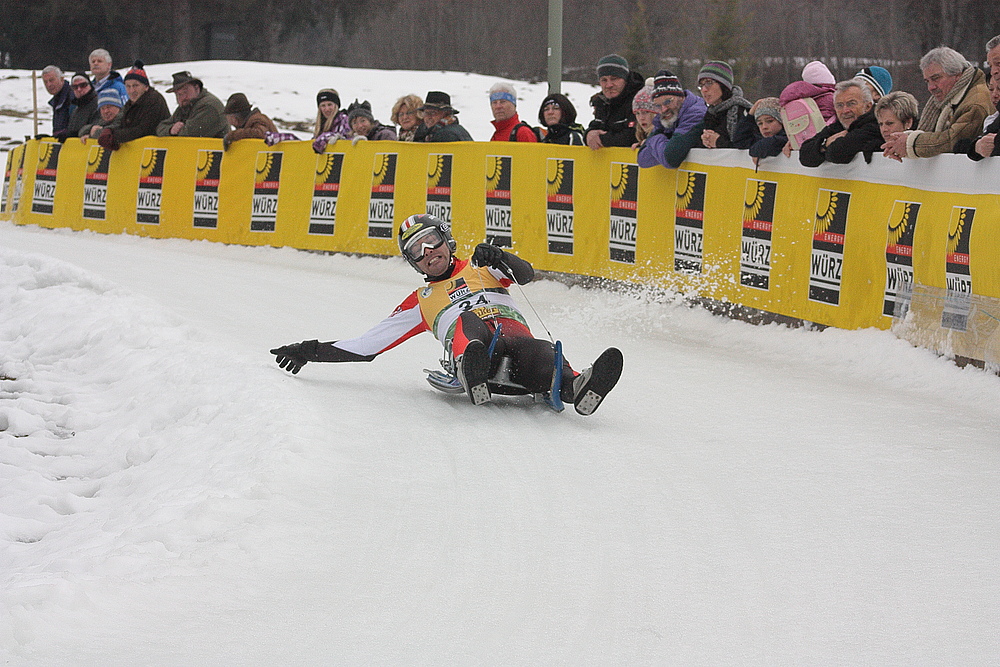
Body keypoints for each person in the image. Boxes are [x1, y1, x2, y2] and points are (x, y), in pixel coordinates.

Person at [269, 214, 623, 415]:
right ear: (413, 263)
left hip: (517, 348)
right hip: (475, 347)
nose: (427, 252)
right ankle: (472, 368)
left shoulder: (481, 265)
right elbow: (366, 346)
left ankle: (577, 387)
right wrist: (308, 351)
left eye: (431, 241)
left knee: (541, 349)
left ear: (446, 240)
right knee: (469, 323)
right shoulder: (420, 300)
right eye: (417, 251)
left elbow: (526, 275)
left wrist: (500, 256)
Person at [881, 46, 990, 160]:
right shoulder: (947, 99)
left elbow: (953, 140)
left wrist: (911, 143)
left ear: (957, 75)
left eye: (936, 78)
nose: (931, 87)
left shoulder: (976, 101)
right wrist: (901, 142)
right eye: (927, 81)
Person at [659, 61, 755, 167]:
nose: (704, 90)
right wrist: (705, 141)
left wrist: (718, 142)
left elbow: (751, 147)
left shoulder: (742, 112)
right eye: (701, 85)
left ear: (723, 85)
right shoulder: (710, 113)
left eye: (709, 83)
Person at [799, 79, 883, 166]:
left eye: (851, 104)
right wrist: (825, 144)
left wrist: (822, 147)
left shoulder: (877, 125)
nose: (845, 110)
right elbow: (804, 156)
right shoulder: (838, 126)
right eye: (839, 105)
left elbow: (836, 153)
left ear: (868, 106)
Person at [636, 69, 708, 168]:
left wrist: (655, 139)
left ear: (681, 97)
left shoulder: (696, 114)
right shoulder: (664, 118)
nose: (664, 109)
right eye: (658, 105)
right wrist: (666, 145)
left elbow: (670, 159)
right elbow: (642, 160)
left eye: (668, 102)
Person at [97, 61, 170, 151]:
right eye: (128, 86)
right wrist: (109, 131)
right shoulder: (130, 104)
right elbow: (120, 123)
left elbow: (143, 130)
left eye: (135, 85)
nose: (132, 90)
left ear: (146, 87)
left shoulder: (154, 100)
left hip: (157, 149)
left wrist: (115, 136)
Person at [585, 54, 645, 149]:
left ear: (625, 79)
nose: (609, 85)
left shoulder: (640, 99)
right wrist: (589, 134)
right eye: (604, 80)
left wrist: (602, 139)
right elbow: (596, 126)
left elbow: (635, 135)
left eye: (614, 79)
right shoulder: (602, 102)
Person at [155, 71, 228, 138]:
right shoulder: (185, 106)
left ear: (197, 88)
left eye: (185, 92)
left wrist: (176, 131)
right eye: (178, 94)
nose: (183, 97)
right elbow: (160, 128)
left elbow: (189, 134)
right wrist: (170, 130)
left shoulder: (209, 106)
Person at [747, 97, 788, 166]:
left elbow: (773, 142)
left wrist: (756, 150)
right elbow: (740, 141)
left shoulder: (788, 138)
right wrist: (750, 116)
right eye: (760, 123)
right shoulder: (759, 138)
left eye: (770, 121)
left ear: (781, 120)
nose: (764, 127)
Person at [65, 72, 100, 141]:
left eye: (83, 85)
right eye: (75, 87)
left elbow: (97, 127)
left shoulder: (98, 104)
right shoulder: (76, 108)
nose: (79, 89)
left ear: (90, 85)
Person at [40, 65, 73, 140]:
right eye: (45, 82)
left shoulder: (72, 96)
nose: (49, 85)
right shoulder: (57, 100)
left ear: (61, 79)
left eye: (51, 80)